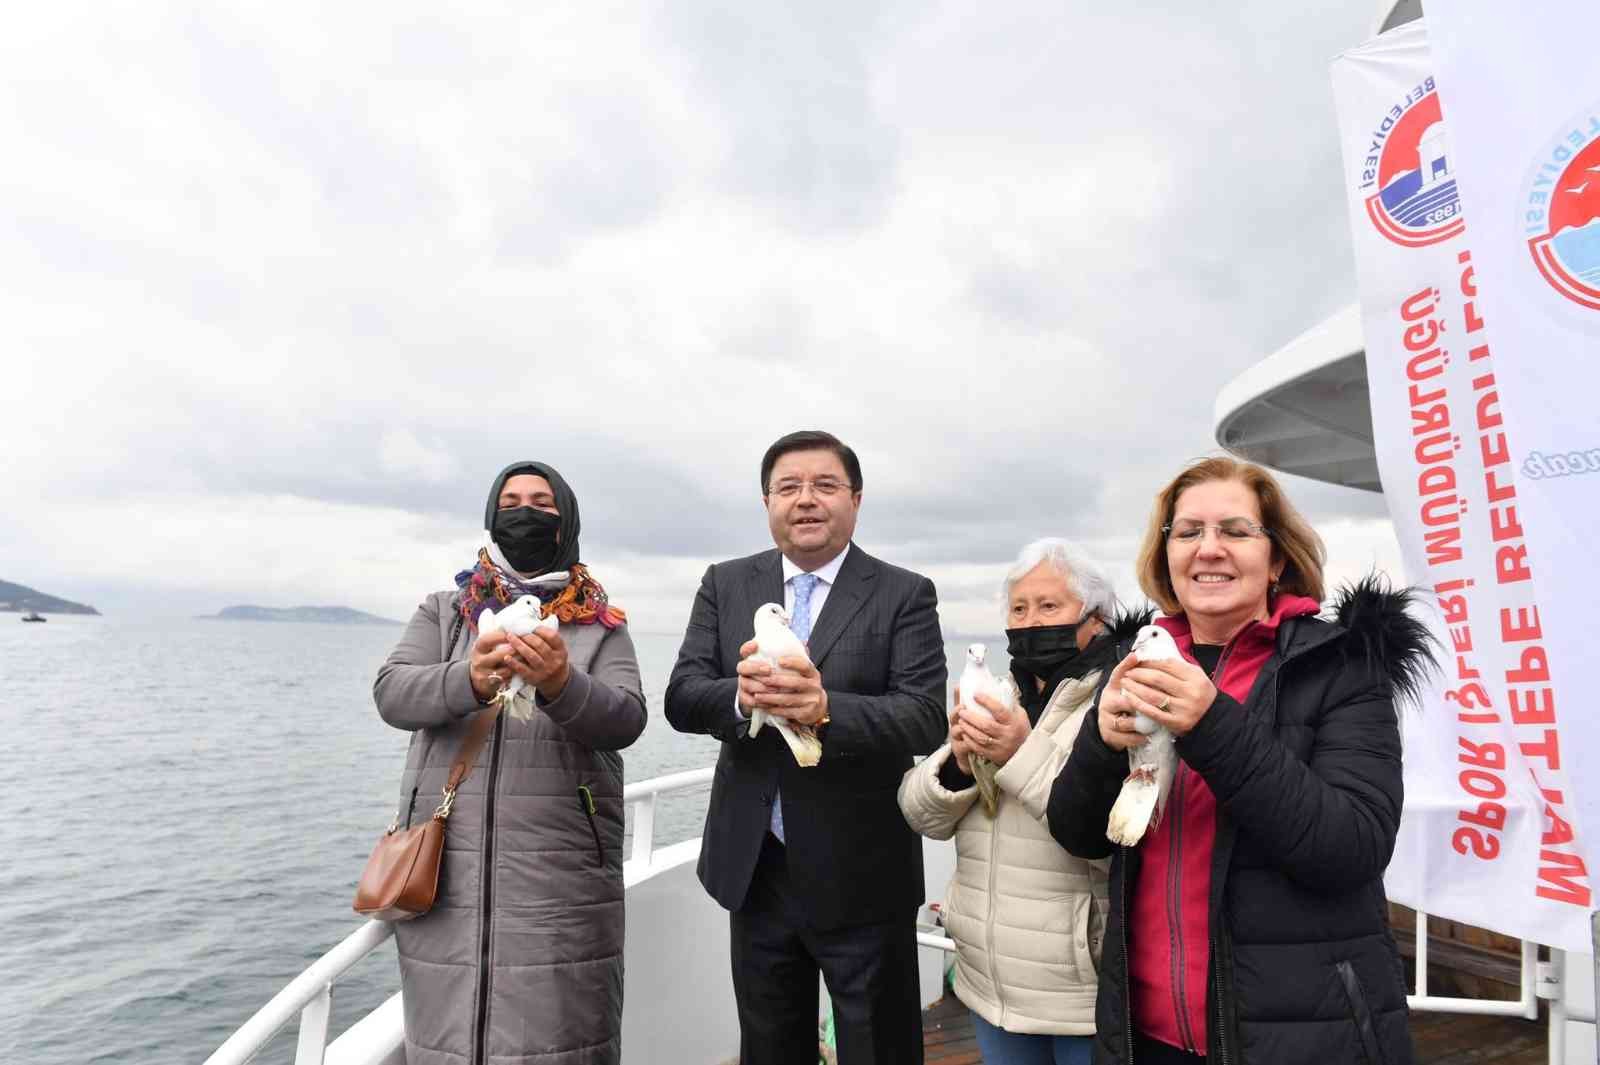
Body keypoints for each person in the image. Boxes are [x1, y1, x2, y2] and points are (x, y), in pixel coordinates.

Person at [1046, 457, 1433, 1065]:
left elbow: (1351, 847)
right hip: (1144, 1036)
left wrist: (1212, 724)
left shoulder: (1341, 667)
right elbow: (1077, 833)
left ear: (1277, 557)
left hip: (1302, 1035)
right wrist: (1100, 742)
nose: (1209, 549)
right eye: (1189, 532)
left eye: (1235, 530)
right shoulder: (1137, 660)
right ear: (1165, 553)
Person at [665, 430, 948, 1065]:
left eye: (825, 485)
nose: (806, 500)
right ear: (767, 502)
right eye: (788, 487)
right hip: (756, 870)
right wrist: (741, 700)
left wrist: (825, 709)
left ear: (856, 499)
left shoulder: (904, 592)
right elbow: (682, 696)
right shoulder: (725, 583)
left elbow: (926, 718)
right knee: (769, 1049)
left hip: (865, 874)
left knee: (880, 1048)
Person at [373, 461, 647, 1065]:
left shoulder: (601, 627)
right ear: (492, 517)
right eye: (511, 500)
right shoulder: (445, 613)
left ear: (566, 518)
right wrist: (468, 677)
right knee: (447, 1038)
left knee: (559, 1039)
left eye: (542, 502)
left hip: (562, 884)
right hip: (444, 876)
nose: (524, 512)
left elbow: (625, 719)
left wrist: (559, 682)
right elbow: (392, 693)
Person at [898, 539, 1144, 1065]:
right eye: (1018, 608)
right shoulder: (1000, 693)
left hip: (1078, 990)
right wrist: (959, 763)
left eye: (1050, 607)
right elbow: (921, 814)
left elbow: (1115, 841)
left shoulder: (1119, 700)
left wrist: (1018, 751)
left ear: (1096, 619)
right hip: (989, 981)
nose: (1030, 622)